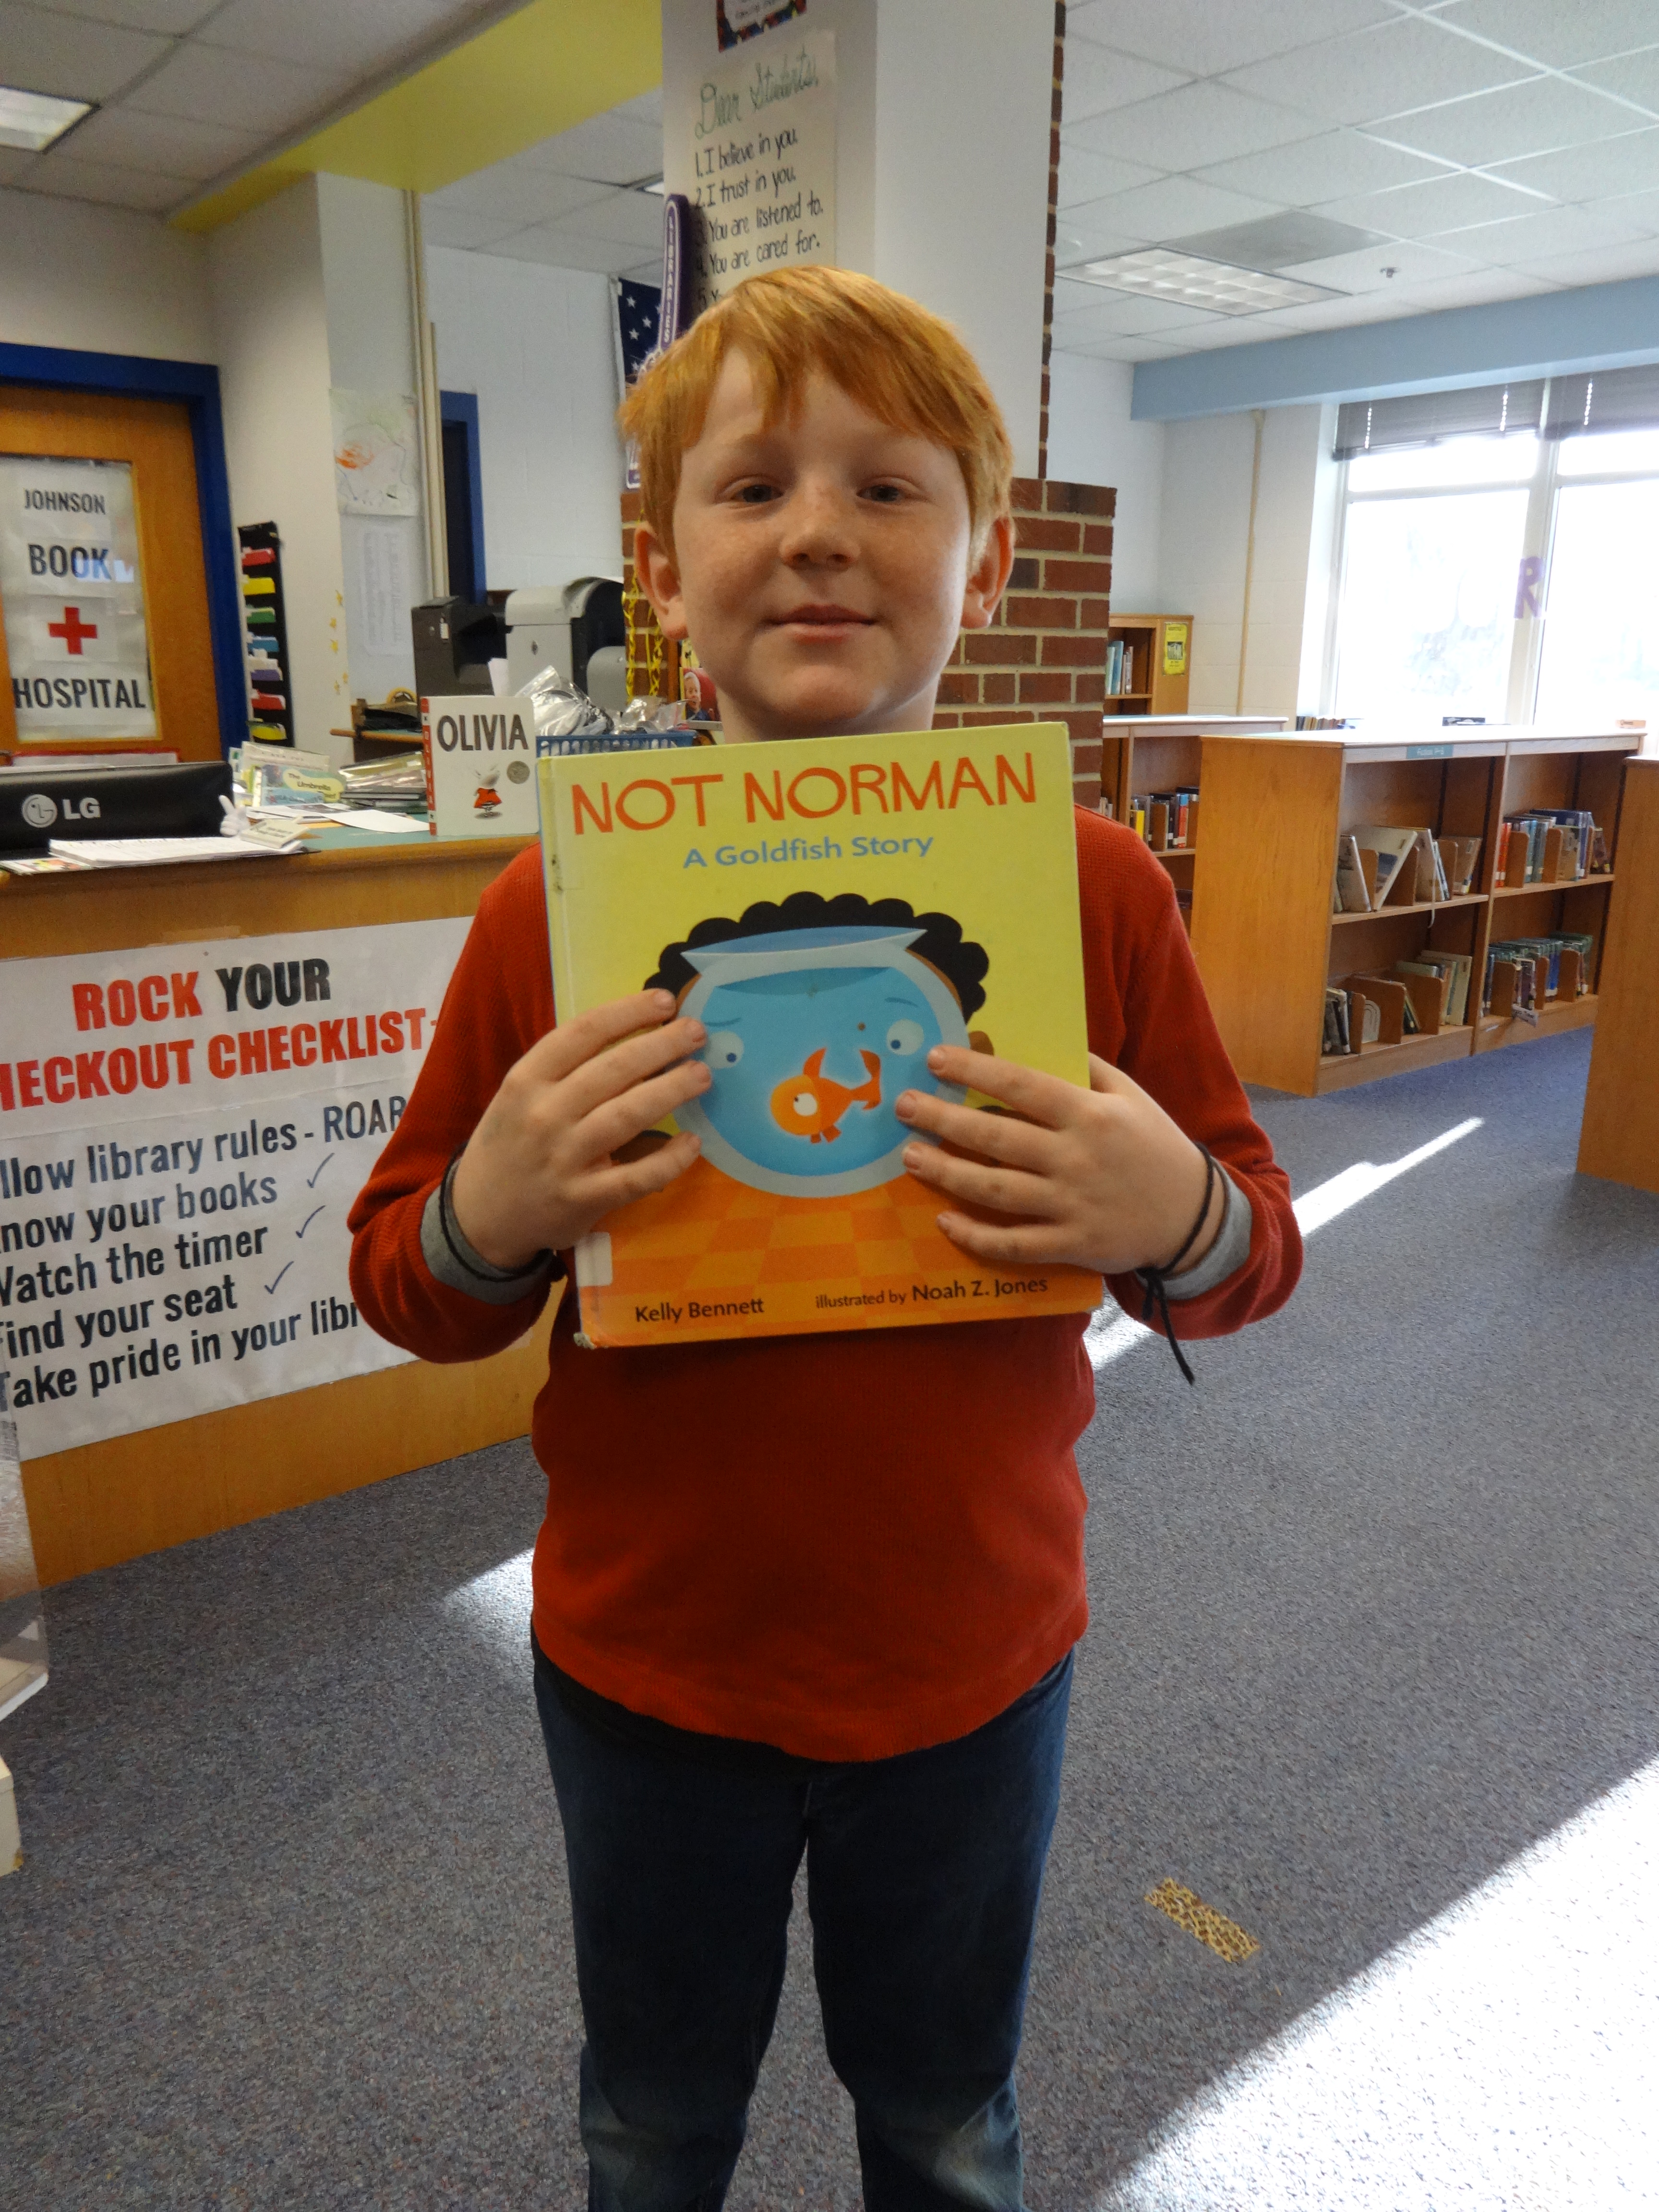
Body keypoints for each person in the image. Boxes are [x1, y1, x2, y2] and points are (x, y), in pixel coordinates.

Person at [349, 264, 1301, 2212]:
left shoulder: (1095, 889)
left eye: (887, 487)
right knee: (651, 2118)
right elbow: (407, 1283)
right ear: (663, 566)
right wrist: (486, 1216)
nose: (816, 534)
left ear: (988, 556)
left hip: (970, 1659)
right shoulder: (552, 908)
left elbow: (1249, 1250)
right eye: (752, 485)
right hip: (649, 1666)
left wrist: (1180, 1214)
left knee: (947, 2119)